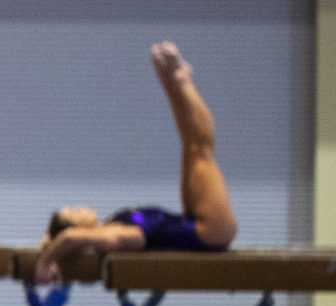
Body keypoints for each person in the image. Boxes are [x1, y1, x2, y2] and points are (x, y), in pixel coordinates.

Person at [37, 42, 239, 283]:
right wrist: (45, 262)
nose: (79, 207)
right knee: (200, 152)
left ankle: (172, 80)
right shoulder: (110, 235)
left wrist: (49, 247)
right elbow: (70, 238)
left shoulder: (110, 225)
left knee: (191, 147)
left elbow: (66, 237)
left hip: (193, 223)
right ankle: (180, 81)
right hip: (207, 231)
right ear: (77, 227)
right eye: (72, 212)